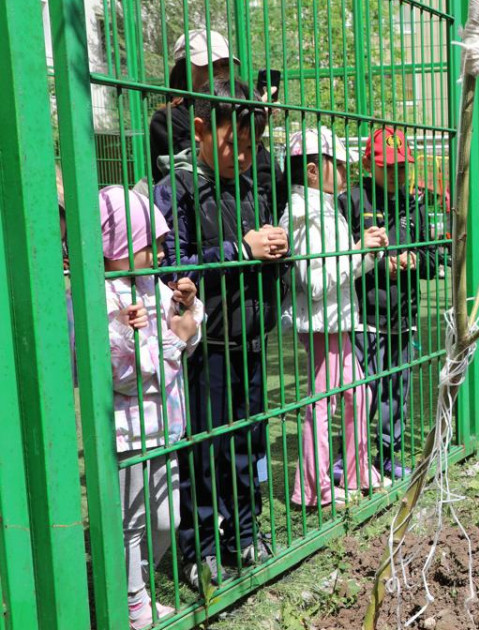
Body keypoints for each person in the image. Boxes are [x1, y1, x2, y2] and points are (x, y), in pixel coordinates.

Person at [157, 78, 287, 589]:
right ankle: (200, 549)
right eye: (233, 144)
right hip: (205, 348)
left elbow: (261, 248)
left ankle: (244, 534)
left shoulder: (254, 183)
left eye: (252, 146)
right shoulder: (179, 188)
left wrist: (277, 248)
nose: (243, 155)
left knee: (249, 443)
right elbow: (175, 268)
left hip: (251, 339)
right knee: (205, 450)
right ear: (200, 130)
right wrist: (239, 249)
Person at [101, 187, 204, 629]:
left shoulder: (152, 286)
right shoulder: (100, 297)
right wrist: (165, 342)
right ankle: (131, 599)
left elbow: (187, 342)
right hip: (129, 431)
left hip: (166, 426)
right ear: (121, 244)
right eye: (150, 243)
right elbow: (118, 378)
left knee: (167, 518)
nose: (161, 250)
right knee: (133, 520)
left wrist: (189, 308)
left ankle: (137, 584)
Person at [281, 126, 391, 508]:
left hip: (337, 319)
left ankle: (359, 470)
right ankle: (312, 489)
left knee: (359, 393)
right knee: (322, 402)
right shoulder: (305, 215)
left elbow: (341, 270)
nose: (345, 173)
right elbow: (316, 281)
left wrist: (367, 252)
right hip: (321, 321)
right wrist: (359, 250)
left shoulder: (325, 209)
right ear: (313, 171)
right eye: (338, 165)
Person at [337, 127, 435, 482]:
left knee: (396, 390)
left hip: (403, 316)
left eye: (402, 167)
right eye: (388, 167)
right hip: (365, 316)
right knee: (363, 392)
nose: (396, 174)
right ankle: (347, 458)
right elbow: (339, 259)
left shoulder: (414, 204)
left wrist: (413, 260)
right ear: (368, 163)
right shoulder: (350, 201)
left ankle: (388, 455)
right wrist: (380, 264)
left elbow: (432, 257)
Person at [148, 30, 286, 217]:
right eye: (211, 65)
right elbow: (207, 172)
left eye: (226, 65)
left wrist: (254, 121)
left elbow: (267, 177)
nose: (221, 72)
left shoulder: (240, 111)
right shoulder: (168, 119)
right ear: (185, 68)